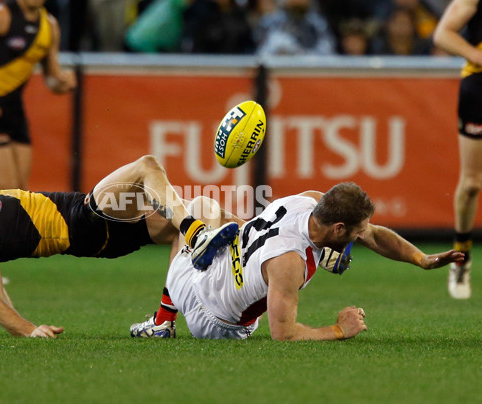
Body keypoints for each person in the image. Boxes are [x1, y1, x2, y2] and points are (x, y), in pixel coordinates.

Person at [0, 148, 239, 338]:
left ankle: (164, 320)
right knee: (147, 166)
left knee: (210, 210)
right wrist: (30, 331)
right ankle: (195, 232)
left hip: (102, 233)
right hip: (86, 220)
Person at [130, 183, 464, 341]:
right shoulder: (290, 261)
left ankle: (164, 315)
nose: (362, 236)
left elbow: (375, 235)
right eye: (355, 231)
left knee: (200, 210)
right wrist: (338, 330)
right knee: (190, 223)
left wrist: (421, 259)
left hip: (225, 277)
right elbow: (284, 334)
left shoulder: (308, 201)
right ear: (338, 228)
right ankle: (163, 321)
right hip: (216, 323)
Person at [0, 0, 76, 192]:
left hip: (15, 109)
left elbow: (51, 77)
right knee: (6, 187)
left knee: (19, 191)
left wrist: (63, 83)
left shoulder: (49, 25)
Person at [433, 0, 482, 299]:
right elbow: (443, 34)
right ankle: (462, 256)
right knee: (472, 183)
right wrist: (476, 54)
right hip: (479, 86)